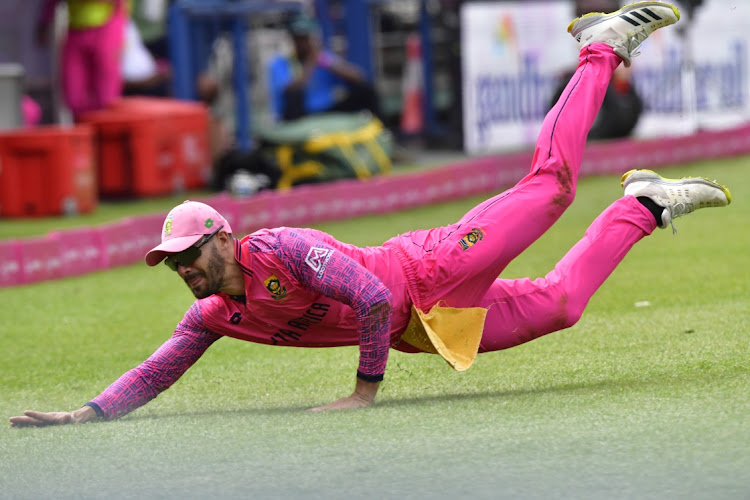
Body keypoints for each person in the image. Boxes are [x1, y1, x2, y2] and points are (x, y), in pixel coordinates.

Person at [11, 2, 732, 426]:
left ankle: (598, 51)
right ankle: (643, 204)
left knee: (551, 188)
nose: (185, 271)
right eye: (173, 264)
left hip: (430, 267)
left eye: (189, 256)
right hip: (422, 328)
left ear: (223, 240)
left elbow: (371, 294)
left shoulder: (281, 248)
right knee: (564, 305)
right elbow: (154, 371)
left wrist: (364, 395)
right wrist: (85, 415)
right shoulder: (214, 317)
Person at [267, 13, 383, 122]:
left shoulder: (324, 58)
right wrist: (310, 62)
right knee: (294, 95)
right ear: (292, 40)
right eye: (298, 38)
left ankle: (384, 129)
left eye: (305, 38)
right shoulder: (280, 63)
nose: (302, 43)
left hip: (327, 110)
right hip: (301, 115)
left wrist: (326, 63)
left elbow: (358, 77)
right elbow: (293, 90)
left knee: (365, 89)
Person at [36, 0, 127, 119]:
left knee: (106, 96)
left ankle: (106, 130)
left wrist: (121, 32)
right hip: (75, 31)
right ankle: (83, 130)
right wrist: (44, 23)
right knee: (73, 92)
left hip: (107, 27)